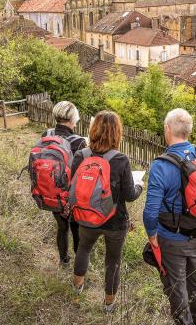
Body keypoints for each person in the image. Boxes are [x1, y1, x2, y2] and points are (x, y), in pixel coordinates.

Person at [143, 108, 196, 325]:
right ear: (188, 131)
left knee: (176, 286)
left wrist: (152, 234)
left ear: (167, 129)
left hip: (171, 237)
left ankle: (184, 322)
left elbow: (151, 210)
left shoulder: (161, 164)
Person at [71, 111, 143, 313]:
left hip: (86, 216)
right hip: (115, 221)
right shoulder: (120, 160)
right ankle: (109, 303)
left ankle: (77, 287)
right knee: (113, 261)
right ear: (117, 133)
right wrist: (140, 186)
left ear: (93, 129)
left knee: (83, 248)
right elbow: (129, 195)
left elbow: (73, 185)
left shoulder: (81, 155)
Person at [42, 101, 87, 267]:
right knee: (76, 228)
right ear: (73, 119)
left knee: (62, 227)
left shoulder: (46, 134)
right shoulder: (78, 141)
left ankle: (63, 260)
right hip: (71, 194)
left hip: (51, 191)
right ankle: (79, 265)